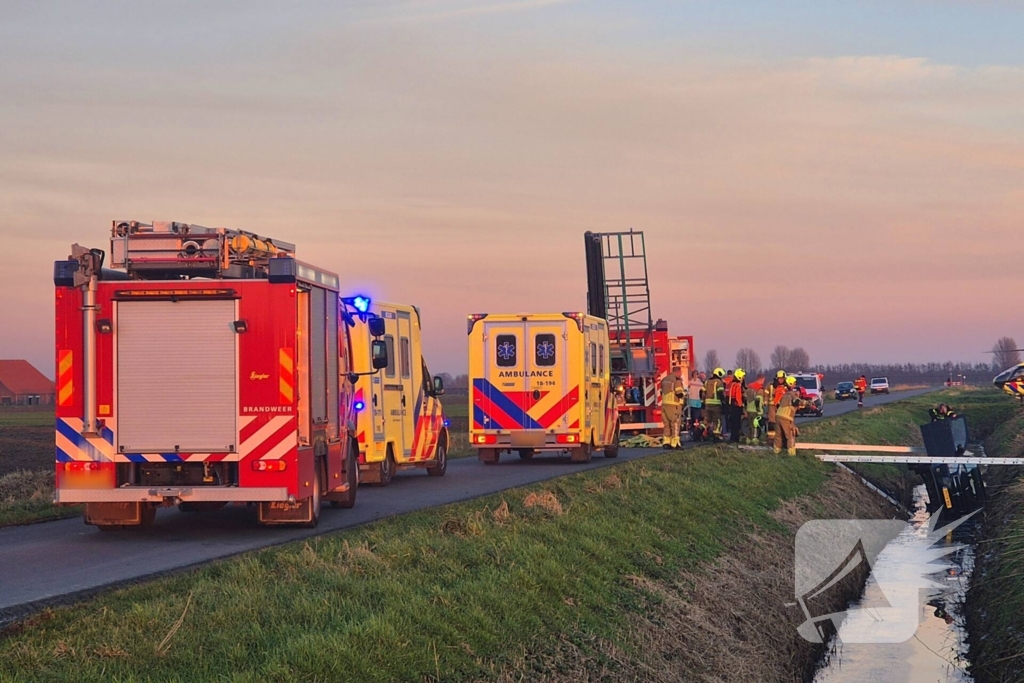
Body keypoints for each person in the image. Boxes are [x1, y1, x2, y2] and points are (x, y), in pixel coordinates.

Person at [774, 375, 806, 455]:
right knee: (790, 435)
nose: (795, 385)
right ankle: (791, 453)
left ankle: (776, 451)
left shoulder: (785, 394)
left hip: (778, 416)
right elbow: (797, 401)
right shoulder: (792, 394)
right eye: (794, 383)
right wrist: (807, 403)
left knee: (778, 435)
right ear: (791, 383)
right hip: (786, 417)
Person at [660, 366, 686, 449]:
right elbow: (679, 393)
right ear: (677, 372)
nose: (681, 374)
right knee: (675, 424)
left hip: (664, 405)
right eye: (680, 372)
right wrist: (684, 394)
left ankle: (666, 443)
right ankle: (675, 443)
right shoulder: (676, 380)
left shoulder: (664, 380)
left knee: (666, 424)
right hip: (674, 405)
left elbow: (661, 392)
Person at [703, 367, 726, 441]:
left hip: (707, 403)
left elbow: (702, 392)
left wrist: (703, 402)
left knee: (707, 420)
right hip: (716, 404)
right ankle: (716, 435)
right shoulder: (719, 382)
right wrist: (723, 401)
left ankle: (699, 431)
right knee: (717, 420)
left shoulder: (707, 381)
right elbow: (720, 393)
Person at [727, 368, 746, 443]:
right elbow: (738, 397)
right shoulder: (737, 385)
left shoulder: (730, 384)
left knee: (732, 423)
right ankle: (735, 439)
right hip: (736, 407)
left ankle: (732, 438)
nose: (744, 378)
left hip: (730, 405)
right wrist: (742, 407)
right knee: (736, 423)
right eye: (743, 376)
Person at [744, 376, 764, 444]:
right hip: (755, 411)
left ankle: (748, 438)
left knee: (750, 425)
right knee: (755, 425)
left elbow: (745, 400)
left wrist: (745, 410)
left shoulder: (749, 388)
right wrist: (759, 412)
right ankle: (754, 438)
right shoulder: (759, 389)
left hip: (749, 410)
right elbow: (758, 402)